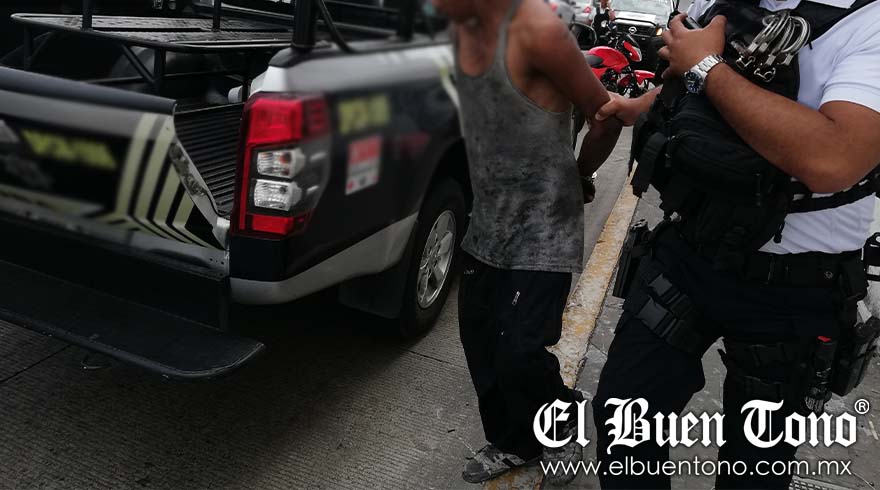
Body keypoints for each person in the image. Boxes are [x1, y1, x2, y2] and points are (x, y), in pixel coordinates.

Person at [592, 0, 880, 488]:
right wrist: (636, 106)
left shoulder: (868, 23)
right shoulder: (731, 3)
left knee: (755, 468)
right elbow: (688, 89)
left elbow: (834, 159)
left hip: (796, 287)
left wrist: (706, 66)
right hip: (689, 253)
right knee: (623, 419)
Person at [430, 0, 623, 484]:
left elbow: (605, 115)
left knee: (519, 351)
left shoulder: (539, 29)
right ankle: (513, 442)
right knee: (479, 339)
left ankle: (563, 423)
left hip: (545, 224)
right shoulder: (461, 30)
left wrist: (581, 173)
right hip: (488, 219)